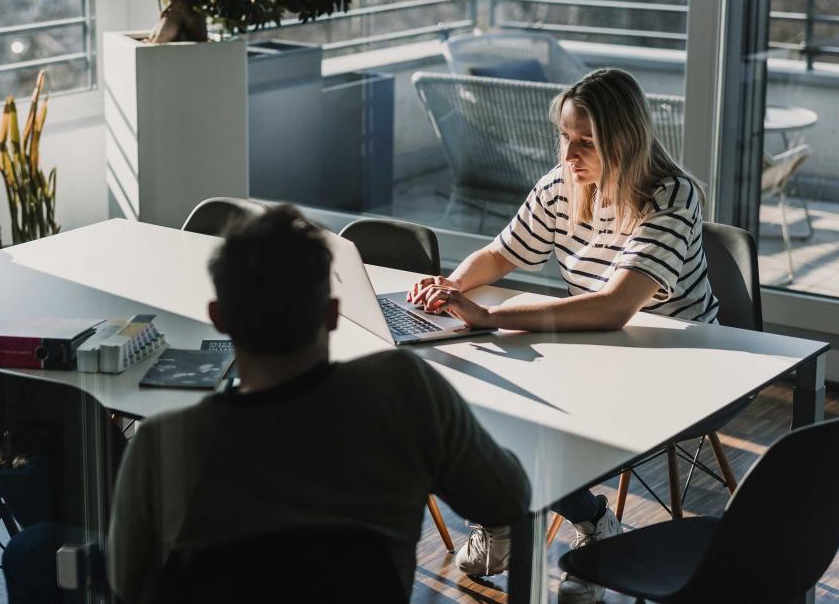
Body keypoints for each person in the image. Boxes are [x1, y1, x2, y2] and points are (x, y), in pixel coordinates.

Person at [102, 205, 531, 602]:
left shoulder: (163, 444)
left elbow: (129, 586)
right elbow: (507, 499)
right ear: (330, 313)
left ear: (219, 317)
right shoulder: (405, 392)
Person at [407, 67, 718, 603]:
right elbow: (504, 252)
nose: (570, 155)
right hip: (594, 347)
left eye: (586, 142)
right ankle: (537, 518)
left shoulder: (671, 196)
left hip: (681, 362)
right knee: (469, 399)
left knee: (533, 418)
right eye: (565, 138)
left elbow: (616, 306)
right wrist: (450, 288)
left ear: (626, 140)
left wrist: (490, 318)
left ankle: (573, 527)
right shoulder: (565, 182)